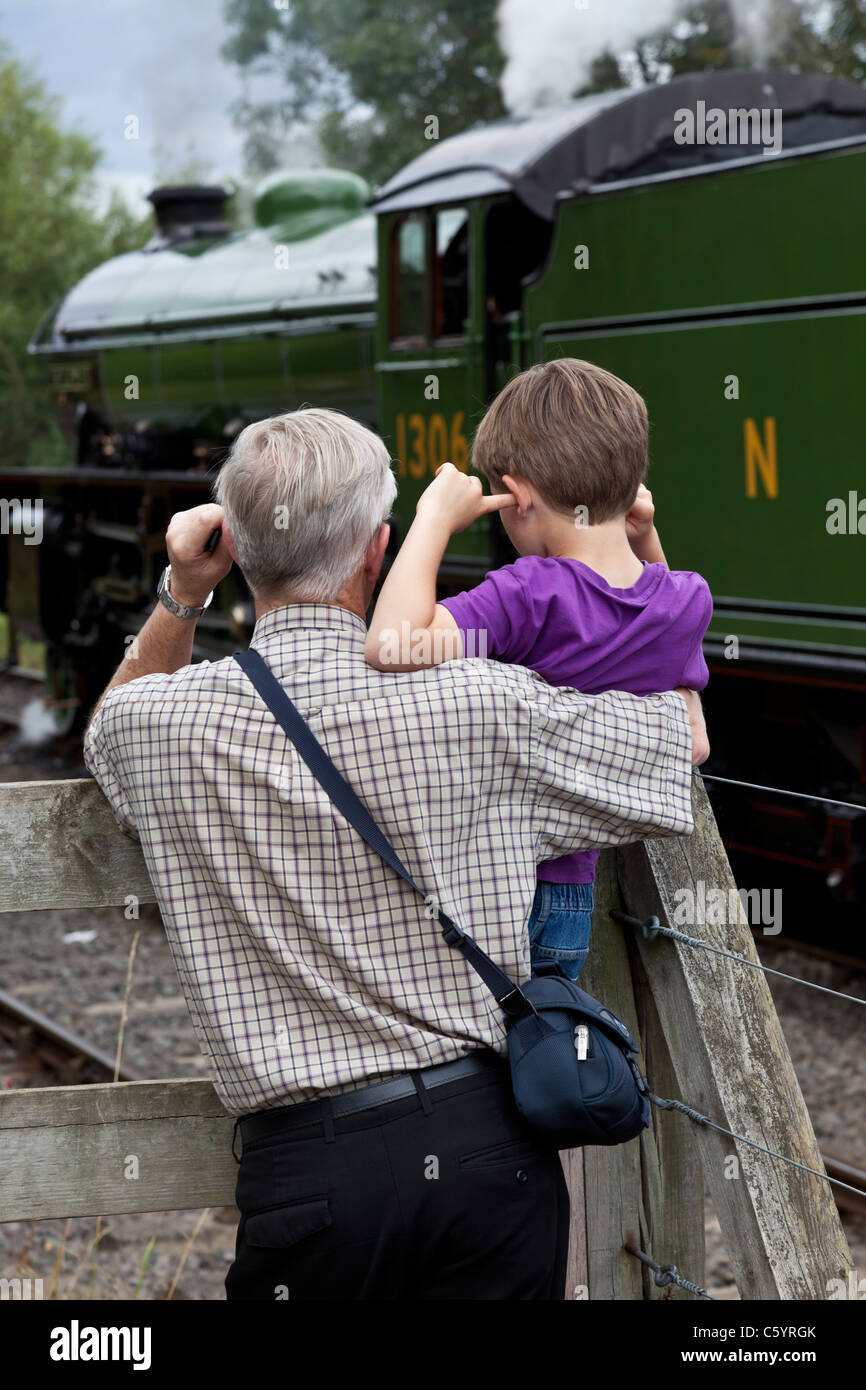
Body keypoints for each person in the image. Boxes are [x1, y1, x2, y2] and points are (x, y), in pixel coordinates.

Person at [83, 406, 706, 1302]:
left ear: (238, 548)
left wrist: (184, 592)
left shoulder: (164, 725)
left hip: (311, 1179)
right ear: (378, 548)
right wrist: (651, 560)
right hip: (492, 1157)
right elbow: (676, 741)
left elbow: (106, 725)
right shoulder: (488, 702)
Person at [366, 358, 712, 983]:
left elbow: (390, 644)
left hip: (490, 892)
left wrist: (433, 521)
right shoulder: (688, 599)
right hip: (568, 903)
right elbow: (664, 609)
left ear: (517, 494)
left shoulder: (531, 594)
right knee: (543, 1053)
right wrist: (645, 537)